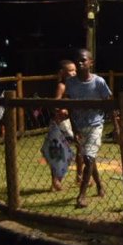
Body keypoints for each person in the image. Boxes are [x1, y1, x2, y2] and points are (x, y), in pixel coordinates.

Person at [60, 49, 120, 209]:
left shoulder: (98, 82)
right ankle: (99, 185)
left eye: (83, 60)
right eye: (78, 60)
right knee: (89, 159)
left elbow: (109, 104)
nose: (80, 63)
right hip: (79, 126)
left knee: (88, 157)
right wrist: (74, 129)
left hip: (95, 125)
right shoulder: (71, 83)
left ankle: (81, 195)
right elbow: (69, 106)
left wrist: (116, 127)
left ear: (91, 63)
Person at [50, 59, 83, 191]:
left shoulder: (75, 86)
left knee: (80, 147)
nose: (74, 72)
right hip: (63, 122)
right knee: (60, 151)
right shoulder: (62, 86)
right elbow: (56, 104)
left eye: (75, 70)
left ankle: (80, 176)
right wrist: (62, 109)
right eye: (70, 70)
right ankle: (56, 180)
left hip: (74, 121)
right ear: (62, 73)